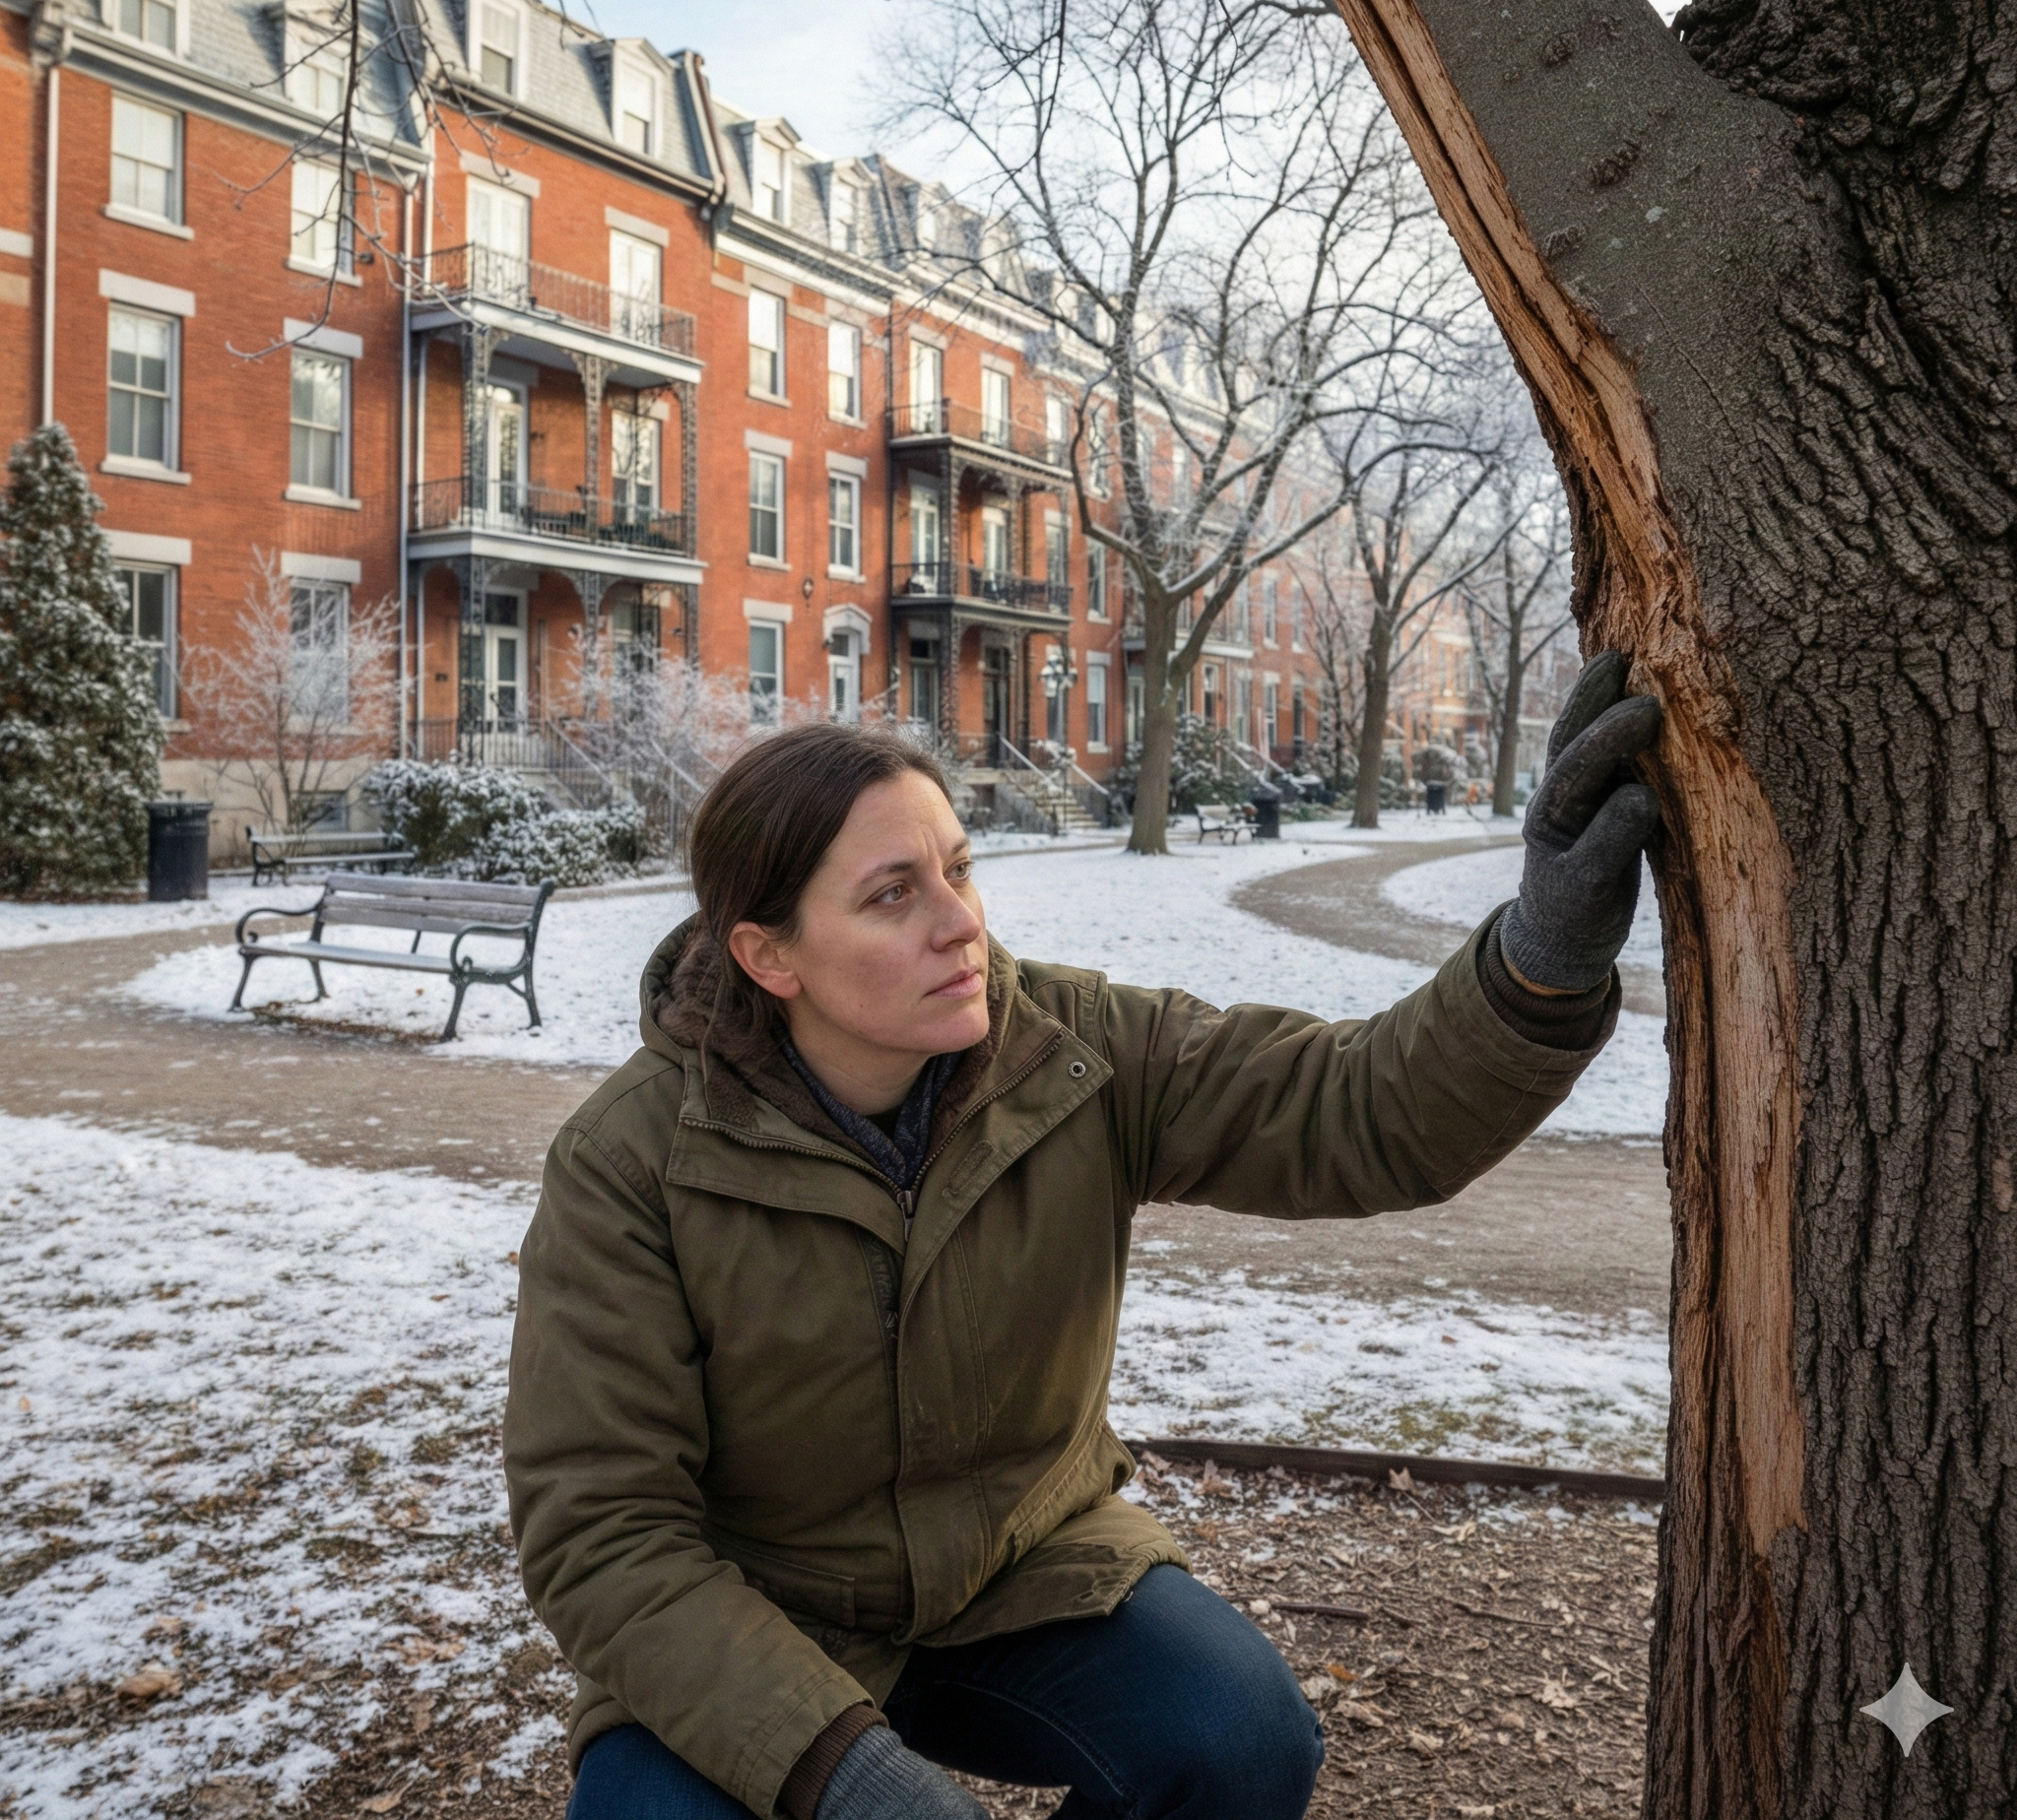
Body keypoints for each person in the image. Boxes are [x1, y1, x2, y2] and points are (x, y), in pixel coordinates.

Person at [504, 653, 1661, 1820]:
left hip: (1017, 1573)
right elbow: (602, 1531)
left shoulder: (1071, 1052)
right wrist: (840, 1773)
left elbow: (1350, 1109)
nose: (960, 923)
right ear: (768, 954)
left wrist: (1536, 968)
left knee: (1239, 1735)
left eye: (958, 868)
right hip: (753, 1615)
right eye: (892, 893)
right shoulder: (633, 1161)